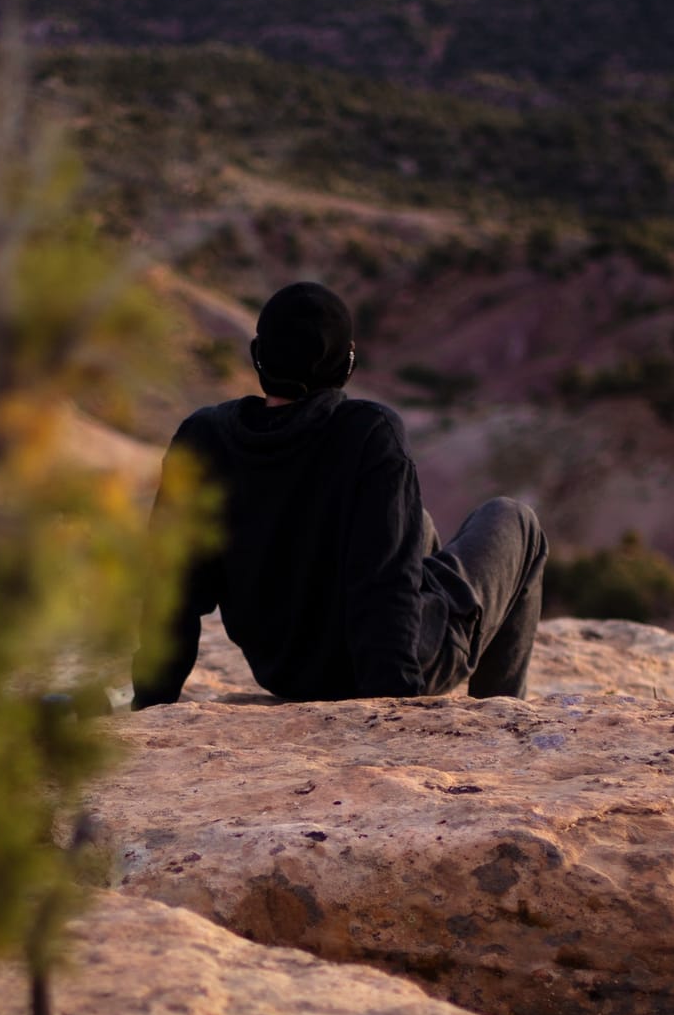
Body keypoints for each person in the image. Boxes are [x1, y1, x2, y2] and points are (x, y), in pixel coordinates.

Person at [132, 279, 546, 707]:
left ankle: (434, 634)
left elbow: (171, 589)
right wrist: (394, 710)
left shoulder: (203, 436)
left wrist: (149, 703)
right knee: (514, 520)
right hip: (386, 668)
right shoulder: (369, 432)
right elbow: (384, 584)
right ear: (347, 365)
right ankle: (500, 712)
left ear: (258, 356)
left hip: (286, 670)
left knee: (415, 522)